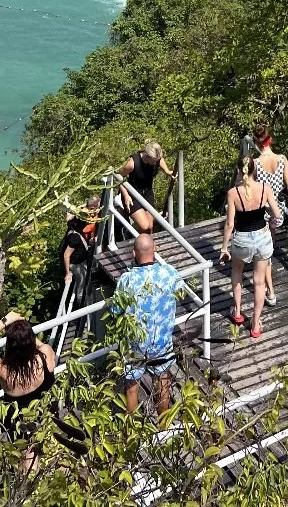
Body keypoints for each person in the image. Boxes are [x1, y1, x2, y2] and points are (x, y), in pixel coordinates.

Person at [111, 232, 183, 415]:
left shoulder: (127, 280)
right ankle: (163, 426)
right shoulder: (169, 272)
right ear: (155, 249)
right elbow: (180, 294)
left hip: (135, 344)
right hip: (161, 341)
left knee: (131, 388)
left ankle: (130, 428)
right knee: (162, 383)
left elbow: (116, 310)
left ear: (134, 253)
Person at [218, 157, 280, 340]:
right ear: (255, 170)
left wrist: (224, 248)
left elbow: (230, 224)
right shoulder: (265, 188)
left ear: (239, 171)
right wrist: (271, 224)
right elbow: (277, 215)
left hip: (242, 239)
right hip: (262, 236)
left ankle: (237, 311)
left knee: (237, 272)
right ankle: (255, 323)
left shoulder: (233, 193)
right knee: (259, 282)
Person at [0, 311, 56, 442]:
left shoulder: (4, 372)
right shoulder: (46, 355)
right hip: (48, 422)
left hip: (18, 433)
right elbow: (37, 344)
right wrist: (23, 330)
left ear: (9, 345)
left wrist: (4, 322)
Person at [252, 122, 288, 308]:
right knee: (269, 247)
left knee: (264, 253)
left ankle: (270, 291)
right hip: (277, 209)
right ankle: (268, 286)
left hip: (261, 210)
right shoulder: (282, 159)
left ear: (256, 143)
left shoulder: (256, 163)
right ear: (270, 139)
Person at [119, 142, 177, 232]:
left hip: (147, 194)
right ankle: (132, 228)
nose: (155, 163)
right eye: (154, 161)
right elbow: (118, 177)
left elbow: (160, 160)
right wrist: (126, 195)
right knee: (145, 226)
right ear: (147, 156)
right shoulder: (132, 163)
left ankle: (148, 240)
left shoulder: (156, 159)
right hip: (132, 195)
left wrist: (167, 171)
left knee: (150, 227)